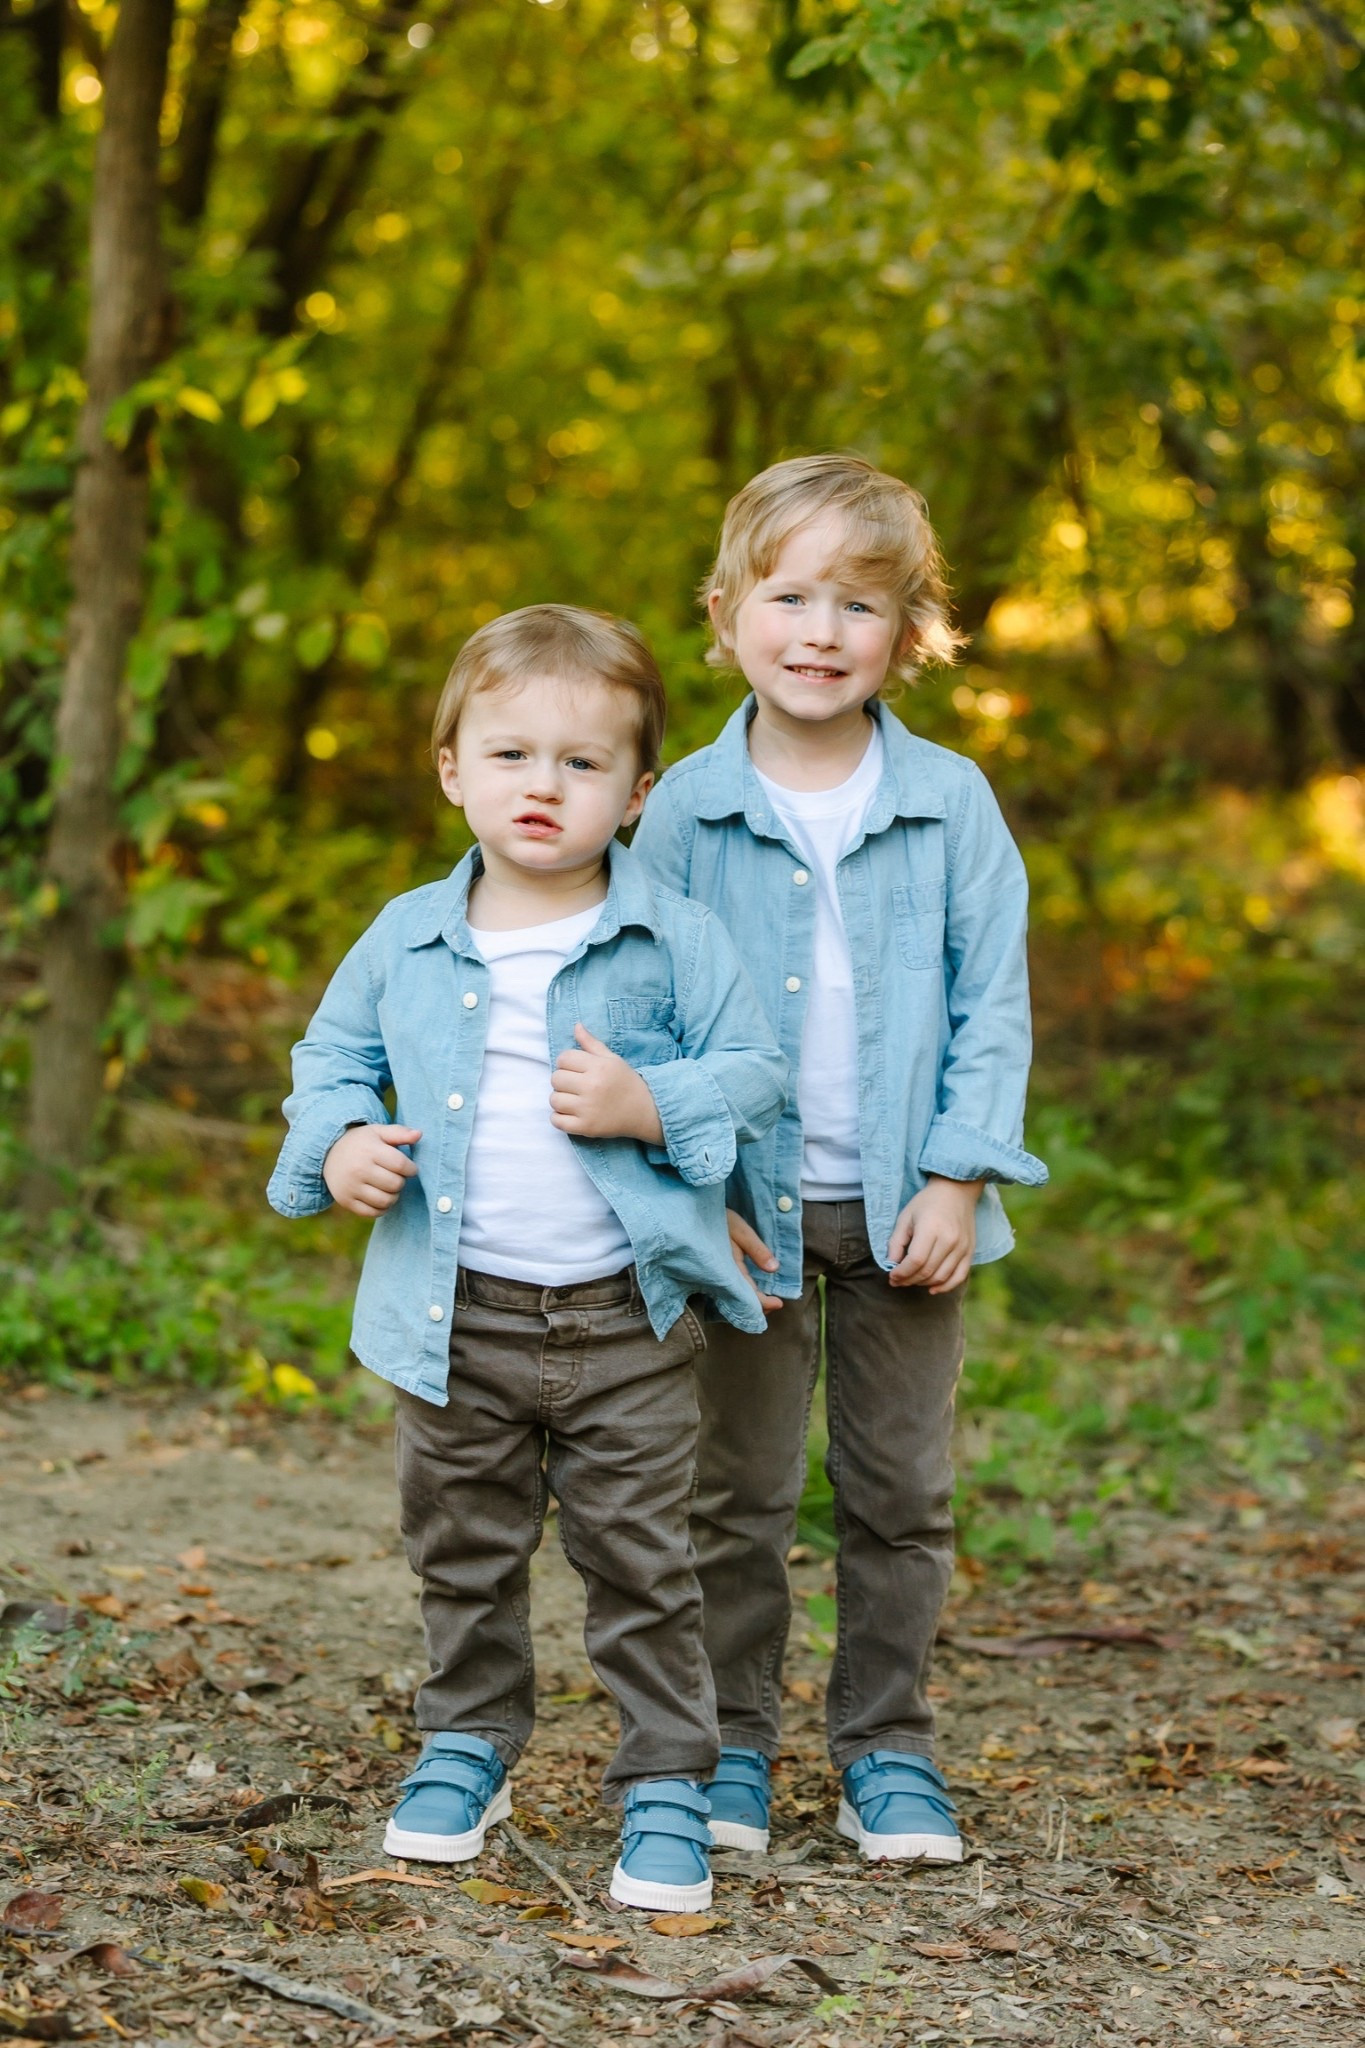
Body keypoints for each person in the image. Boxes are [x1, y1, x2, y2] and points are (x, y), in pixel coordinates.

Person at [267, 605, 786, 1912]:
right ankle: (469, 1738)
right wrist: (334, 1147)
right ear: (450, 766)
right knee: (463, 1543)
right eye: (509, 756)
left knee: (639, 1559)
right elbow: (327, 1058)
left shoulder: (671, 938)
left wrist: (648, 1104)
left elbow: (753, 1068)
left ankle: (668, 1774)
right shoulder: (403, 935)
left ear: (637, 791)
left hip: (626, 1322)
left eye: (580, 762)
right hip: (456, 1319)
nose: (541, 787)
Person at [632, 454, 1047, 1864]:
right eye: (788, 594)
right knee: (731, 1494)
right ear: (728, 610)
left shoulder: (951, 802)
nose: (819, 629)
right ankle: (731, 1744)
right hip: (738, 1215)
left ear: (907, 631)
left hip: (905, 1210)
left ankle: (886, 1746)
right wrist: (693, 1194)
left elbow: (992, 1002)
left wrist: (958, 1174)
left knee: (899, 1494)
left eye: (856, 604)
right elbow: (645, 1016)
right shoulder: (679, 810)